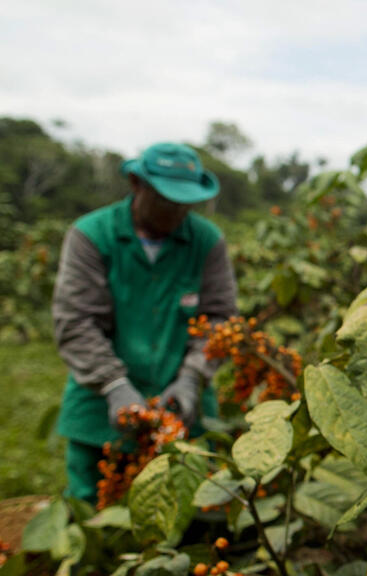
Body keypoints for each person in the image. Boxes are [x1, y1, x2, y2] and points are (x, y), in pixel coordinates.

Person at [52, 142, 238, 503]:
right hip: (98, 408)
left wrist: (191, 377)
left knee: (187, 509)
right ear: (137, 184)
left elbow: (220, 320)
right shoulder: (91, 235)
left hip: (183, 411)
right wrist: (114, 385)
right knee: (94, 511)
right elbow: (76, 322)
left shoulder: (207, 242)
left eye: (185, 203)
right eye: (167, 200)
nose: (176, 212)